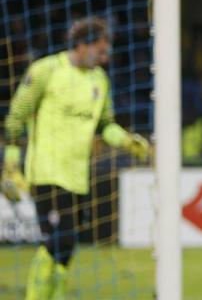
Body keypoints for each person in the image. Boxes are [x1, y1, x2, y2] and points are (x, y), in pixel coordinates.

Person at [1, 17, 150, 300]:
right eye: (100, 50)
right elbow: (15, 119)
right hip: (45, 170)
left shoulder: (99, 80)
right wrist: (10, 164)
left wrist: (127, 142)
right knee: (60, 239)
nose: (104, 58)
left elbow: (105, 125)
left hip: (77, 175)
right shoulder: (46, 70)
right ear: (81, 45)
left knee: (67, 248)